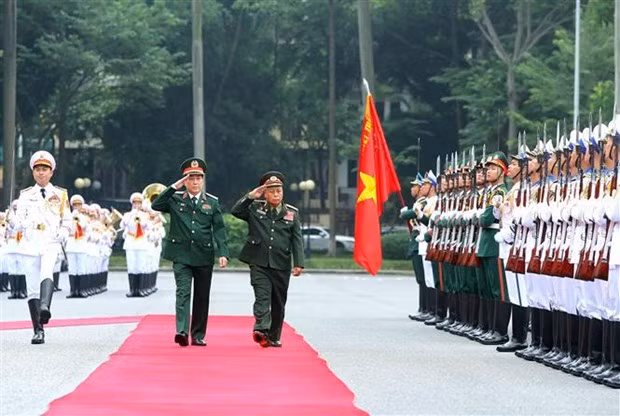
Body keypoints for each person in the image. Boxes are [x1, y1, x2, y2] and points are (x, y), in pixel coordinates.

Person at [151, 157, 229, 347]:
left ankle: (198, 334)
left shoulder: (212, 202)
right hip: (181, 255)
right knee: (183, 292)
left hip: (203, 255)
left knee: (202, 296)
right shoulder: (175, 199)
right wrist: (174, 187)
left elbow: (219, 229)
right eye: (190, 178)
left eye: (198, 178)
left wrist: (223, 253)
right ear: (185, 180)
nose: (195, 182)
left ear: (202, 180)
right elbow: (156, 205)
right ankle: (182, 331)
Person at [231, 171, 304, 348]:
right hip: (259, 261)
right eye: (271, 191)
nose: (276, 194)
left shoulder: (292, 213)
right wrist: (250, 197)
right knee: (262, 296)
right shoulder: (255, 208)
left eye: (279, 190)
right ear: (264, 192)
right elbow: (236, 211)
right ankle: (261, 330)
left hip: (281, 263)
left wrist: (299, 263)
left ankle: (274, 335)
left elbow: (297, 239)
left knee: (278, 302)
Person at [15, 150, 71, 344]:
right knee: (32, 287)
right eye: (37, 169)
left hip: (50, 240)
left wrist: (63, 234)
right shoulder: (25, 195)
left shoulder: (61, 194)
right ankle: (38, 330)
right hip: (30, 241)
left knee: (47, 271)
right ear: (33, 172)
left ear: (51, 172)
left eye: (45, 169)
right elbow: (18, 220)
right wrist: (15, 221)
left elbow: (67, 221)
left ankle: (45, 307)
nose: (41, 173)